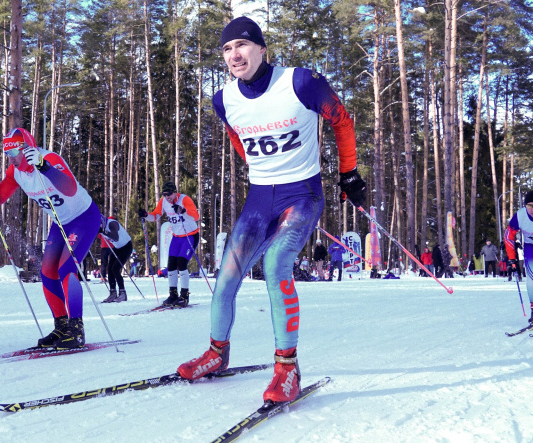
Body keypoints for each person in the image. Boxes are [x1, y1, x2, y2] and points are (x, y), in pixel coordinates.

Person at [176, 16, 365, 406]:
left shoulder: (300, 82)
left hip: (302, 195)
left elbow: (341, 121)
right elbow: (236, 135)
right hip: (261, 197)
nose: (234, 54)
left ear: (262, 48)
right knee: (226, 276)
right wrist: (257, 164)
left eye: (242, 45)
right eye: (227, 49)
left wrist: (349, 173)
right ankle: (216, 354)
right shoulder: (223, 99)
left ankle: (287, 367)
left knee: (277, 262)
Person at [0, 127, 102, 349]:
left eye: (14, 154)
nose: (11, 160)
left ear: (26, 149)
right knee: (47, 270)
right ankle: (61, 327)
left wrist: (44, 167)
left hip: (83, 218)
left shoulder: (49, 158)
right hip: (60, 223)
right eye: (7, 155)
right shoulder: (16, 172)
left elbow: (70, 188)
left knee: (66, 267)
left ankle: (76, 330)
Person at [139, 181, 200, 307]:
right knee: (171, 265)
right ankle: (173, 295)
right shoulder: (163, 202)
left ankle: (184, 296)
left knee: (182, 263)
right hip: (177, 237)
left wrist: (183, 211)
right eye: (165, 194)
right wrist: (146, 215)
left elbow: (196, 216)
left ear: (175, 192)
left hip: (190, 236)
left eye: (169, 194)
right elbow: (155, 216)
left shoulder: (185, 199)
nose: (167, 197)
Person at [505, 191, 533, 321]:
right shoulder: (520, 215)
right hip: (530, 247)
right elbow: (508, 236)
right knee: (531, 280)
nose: (532, 209)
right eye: (529, 205)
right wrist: (511, 258)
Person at [98, 214, 133, 302]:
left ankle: (122, 293)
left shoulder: (112, 223)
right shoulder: (103, 227)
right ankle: (113, 293)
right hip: (117, 248)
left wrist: (103, 231)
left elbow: (115, 237)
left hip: (126, 247)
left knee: (115, 268)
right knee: (109, 269)